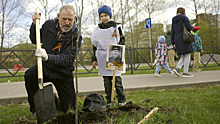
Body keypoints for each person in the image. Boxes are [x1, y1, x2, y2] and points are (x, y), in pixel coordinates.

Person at [24, 5, 82, 118]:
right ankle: (36, 109)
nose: (67, 22)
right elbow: (35, 39)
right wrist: (34, 24)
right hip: (46, 68)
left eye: (70, 19)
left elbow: (68, 58)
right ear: (58, 16)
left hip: (62, 73)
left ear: (74, 18)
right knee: (30, 75)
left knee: (69, 108)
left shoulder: (76, 36)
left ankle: (54, 100)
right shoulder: (48, 25)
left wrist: (48, 57)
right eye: (64, 19)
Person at [91, 5, 126, 107]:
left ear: (109, 15)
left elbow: (122, 41)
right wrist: (94, 59)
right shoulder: (97, 29)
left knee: (117, 80)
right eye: (101, 16)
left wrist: (119, 54)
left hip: (115, 54)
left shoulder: (116, 27)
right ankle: (110, 100)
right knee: (107, 81)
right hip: (102, 56)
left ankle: (121, 99)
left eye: (105, 15)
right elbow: (94, 45)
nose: (104, 18)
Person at [171, 7, 194, 77]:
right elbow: (189, 27)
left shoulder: (173, 19)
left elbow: (172, 31)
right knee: (187, 55)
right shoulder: (184, 18)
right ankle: (185, 72)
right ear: (183, 11)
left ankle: (177, 68)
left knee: (184, 55)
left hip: (177, 39)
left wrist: (173, 42)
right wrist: (192, 27)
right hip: (184, 38)